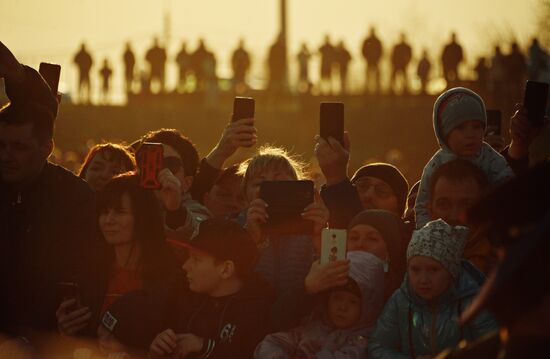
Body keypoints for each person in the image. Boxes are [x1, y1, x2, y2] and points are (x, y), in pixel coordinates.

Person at [0, 41, 98, 348]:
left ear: (47, 148)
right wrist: (16, 76)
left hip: (43, 342)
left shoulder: (74, 197)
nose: (7, 156)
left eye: (19, 147)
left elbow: (87, 276)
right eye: (1, 146)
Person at [102, 219, 276, 358]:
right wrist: (157, 350)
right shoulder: (183, 292)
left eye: (196, 259)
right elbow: (132, 308)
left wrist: (204, 346)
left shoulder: (259, 309)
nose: (186, 266)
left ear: (226, 269)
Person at [55, 173, 180, 341]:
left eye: (120, 212)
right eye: (104, 212)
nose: (108, 220)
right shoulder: (89, 273)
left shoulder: (172, 274)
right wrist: (65, 331)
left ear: (143, 217)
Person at [368, 219, 498, 359]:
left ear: (451, 270)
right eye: (415, 269)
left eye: (433, 270)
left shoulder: (474, 301)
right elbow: (378, 346)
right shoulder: (400, 300)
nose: (423, 279)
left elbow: (495, 348)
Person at [240, 146, 330, 330]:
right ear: (245, 194)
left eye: (280, 183)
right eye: (260, 184)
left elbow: (335, 276)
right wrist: (251, 239)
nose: (271, 190)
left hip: (304, 326)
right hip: (248, 326)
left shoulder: (311, 227)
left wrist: (322, 237)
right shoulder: (234, 227)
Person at [415, 87, 514, 229]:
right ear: (444, 133)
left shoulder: (490, 157)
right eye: (460, 128)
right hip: (443, 234)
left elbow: (508, 189)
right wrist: (427, 234)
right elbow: (422, 206)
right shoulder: (437, 164)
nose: (470, 134)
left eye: (476, 127)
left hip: (480, 231)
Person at [254, 251, 385, 358]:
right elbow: (272, 342)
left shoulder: (365, 340)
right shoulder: (314, 324)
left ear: (368, 306)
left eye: (353, 302)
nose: (343, 307)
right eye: (337, 298)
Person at [138, 129, 211, 241]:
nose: (157, 170)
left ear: (187, 183)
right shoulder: (125, 203)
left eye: (170, 164)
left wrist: (175, 211)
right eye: (149, 161)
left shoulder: (194, 210)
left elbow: (198, 233)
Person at [347, 210, 408, 302]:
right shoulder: (332, 282)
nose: (360, 244)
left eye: (372, 239)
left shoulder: (402, 297)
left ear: (390, 250)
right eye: (354, 238)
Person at [361, 26, 383, 94]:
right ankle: (367, 88)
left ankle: (377, 88)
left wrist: (378, 58)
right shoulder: (368, 41)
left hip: (375, 60)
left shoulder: (377, 41)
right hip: (369, 60)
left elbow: (381, 51)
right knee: (368, 75)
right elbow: (363, 50)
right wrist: (366, 58)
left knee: (376, 75)